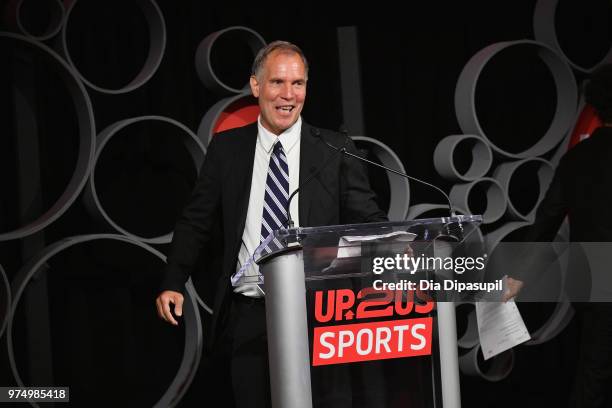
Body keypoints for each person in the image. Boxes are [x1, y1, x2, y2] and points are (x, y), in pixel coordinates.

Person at [155, 41, 387, 408]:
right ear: (256, 86)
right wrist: (173, 280)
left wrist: (399, 251)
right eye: (277, 82)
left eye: (298, 84)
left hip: (322, 313)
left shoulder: (334, 148)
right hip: (251, 315)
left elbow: (369, 221)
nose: (288, 95)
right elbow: (196, 221)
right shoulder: (227, 149)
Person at [505, 64, 612, 408]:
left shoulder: (576, 160)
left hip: (594, 281)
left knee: (593, 376)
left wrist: (519, 275)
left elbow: (546, 220)